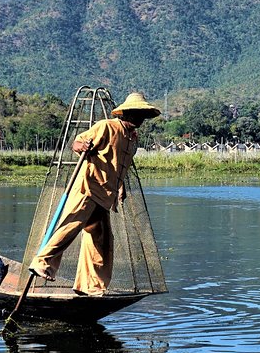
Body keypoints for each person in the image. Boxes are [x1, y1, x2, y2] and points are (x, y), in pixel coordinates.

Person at [29, 92, 161, 295]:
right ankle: (42, 262)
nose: (140, 118)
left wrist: (120, 186)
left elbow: (120, 166)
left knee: (103, 240)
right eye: (137, 113)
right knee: (70, 226)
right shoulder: (107, 127)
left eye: (143, 114)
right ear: (126, 113)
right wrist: (82, 146)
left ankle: (90, 286)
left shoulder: (132, 138)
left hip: (105, 195)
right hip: (88, 189)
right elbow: (77, 143)